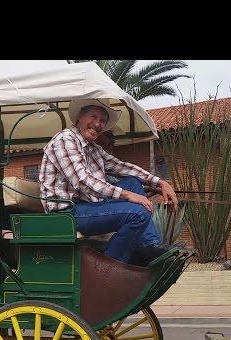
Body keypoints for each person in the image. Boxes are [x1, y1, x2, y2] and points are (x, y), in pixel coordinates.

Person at [39, 98, 178, 266]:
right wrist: (127, 195)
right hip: (66, 212)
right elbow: (82, 181)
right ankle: (107, 269)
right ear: (78, 118)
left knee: (132, 182)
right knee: (138, 213)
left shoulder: (93, 148)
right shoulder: (65, 139)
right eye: (93, 116)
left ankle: (149, 247)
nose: (98, 124)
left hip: (87, 204)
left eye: (102, 120)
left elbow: (121, 167)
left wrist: (160, 183)